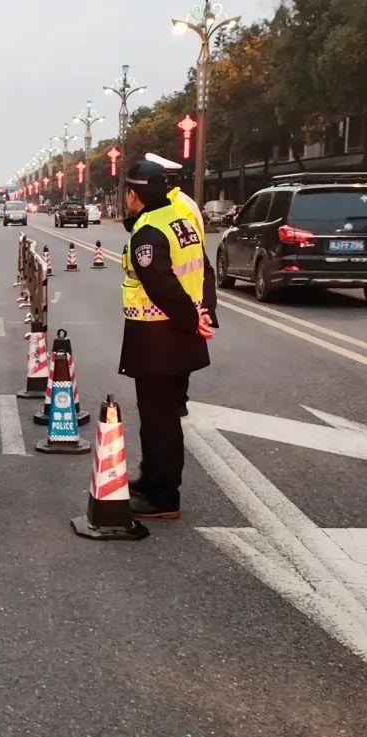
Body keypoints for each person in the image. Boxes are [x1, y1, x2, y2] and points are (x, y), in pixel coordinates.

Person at [119, 160, 217, 519]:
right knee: (161, 414)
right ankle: (151, 479)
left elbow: (162, 287)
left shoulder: (148, 233)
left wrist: (192, 320)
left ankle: (162, 496)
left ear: (134, 194)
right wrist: (203, 315)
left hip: (158, 337)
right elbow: (203, 270)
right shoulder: (180, 220)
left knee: (159, 418)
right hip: (179, 334)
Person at [145, 152, 220, 417]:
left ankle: (175, 401)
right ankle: (176, 399)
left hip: (182, 285)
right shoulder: (181, 201)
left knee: (176, 347)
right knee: (179, 347)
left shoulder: (175, 206)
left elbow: (188, 251)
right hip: (188, 282)